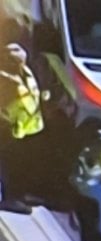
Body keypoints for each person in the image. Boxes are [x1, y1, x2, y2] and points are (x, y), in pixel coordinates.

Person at [0, 43, 47, 213]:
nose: (21, 63)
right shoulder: (4, 80)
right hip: (10, 131)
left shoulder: (25, 72)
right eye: (16, 61)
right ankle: (9, 198)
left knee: (25, 165)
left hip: (30, 129)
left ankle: (23, 194)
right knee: (9, 166)